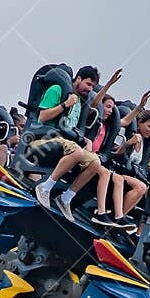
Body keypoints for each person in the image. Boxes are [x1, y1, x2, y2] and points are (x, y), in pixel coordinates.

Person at [32, 65, 125, 222]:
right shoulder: (57, 90)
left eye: (93, 87)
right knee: (78, 152)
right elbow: (41, 117)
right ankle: (45, 187)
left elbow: (95, 104)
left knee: (95, 162)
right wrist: (65, 105)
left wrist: (108, 84)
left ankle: (65, 198)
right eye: (88, 84)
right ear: (78, 79)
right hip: (43, 140)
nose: (90, 89)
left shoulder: (81, 101)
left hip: (66, 144)